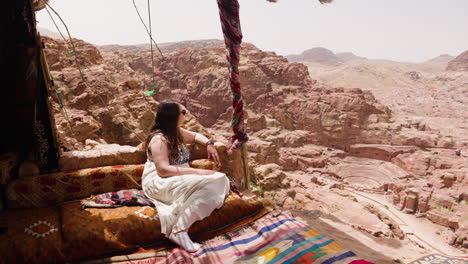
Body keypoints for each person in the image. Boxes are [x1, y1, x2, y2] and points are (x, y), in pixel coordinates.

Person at [142, 100, 230, 252]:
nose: (185, 115)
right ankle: (179, 231)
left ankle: (183, 223)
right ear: (173, 116)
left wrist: (209, 143)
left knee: (220, 180)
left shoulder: (176, 132)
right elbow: (163, 170)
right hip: (161, 180)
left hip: (180, 176)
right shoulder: (159, 139)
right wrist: (198, 172)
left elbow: (196, 136)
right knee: (214, 182)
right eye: (183, 112)